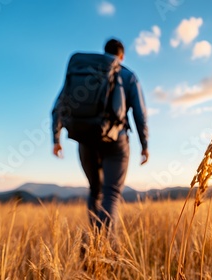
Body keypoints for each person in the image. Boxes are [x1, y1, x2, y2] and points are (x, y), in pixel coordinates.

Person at [51, 38, 149, 231]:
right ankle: (106, 251)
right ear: (121, 56)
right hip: (116, 140)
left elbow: (57, 107)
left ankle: (95, 243)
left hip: (86, 139)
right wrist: (144, 145)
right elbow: (140, 114)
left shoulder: (84, 71)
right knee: (111, 194)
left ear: (104, 52)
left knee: (95, 191)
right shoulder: (128, 75)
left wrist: (56, 139)